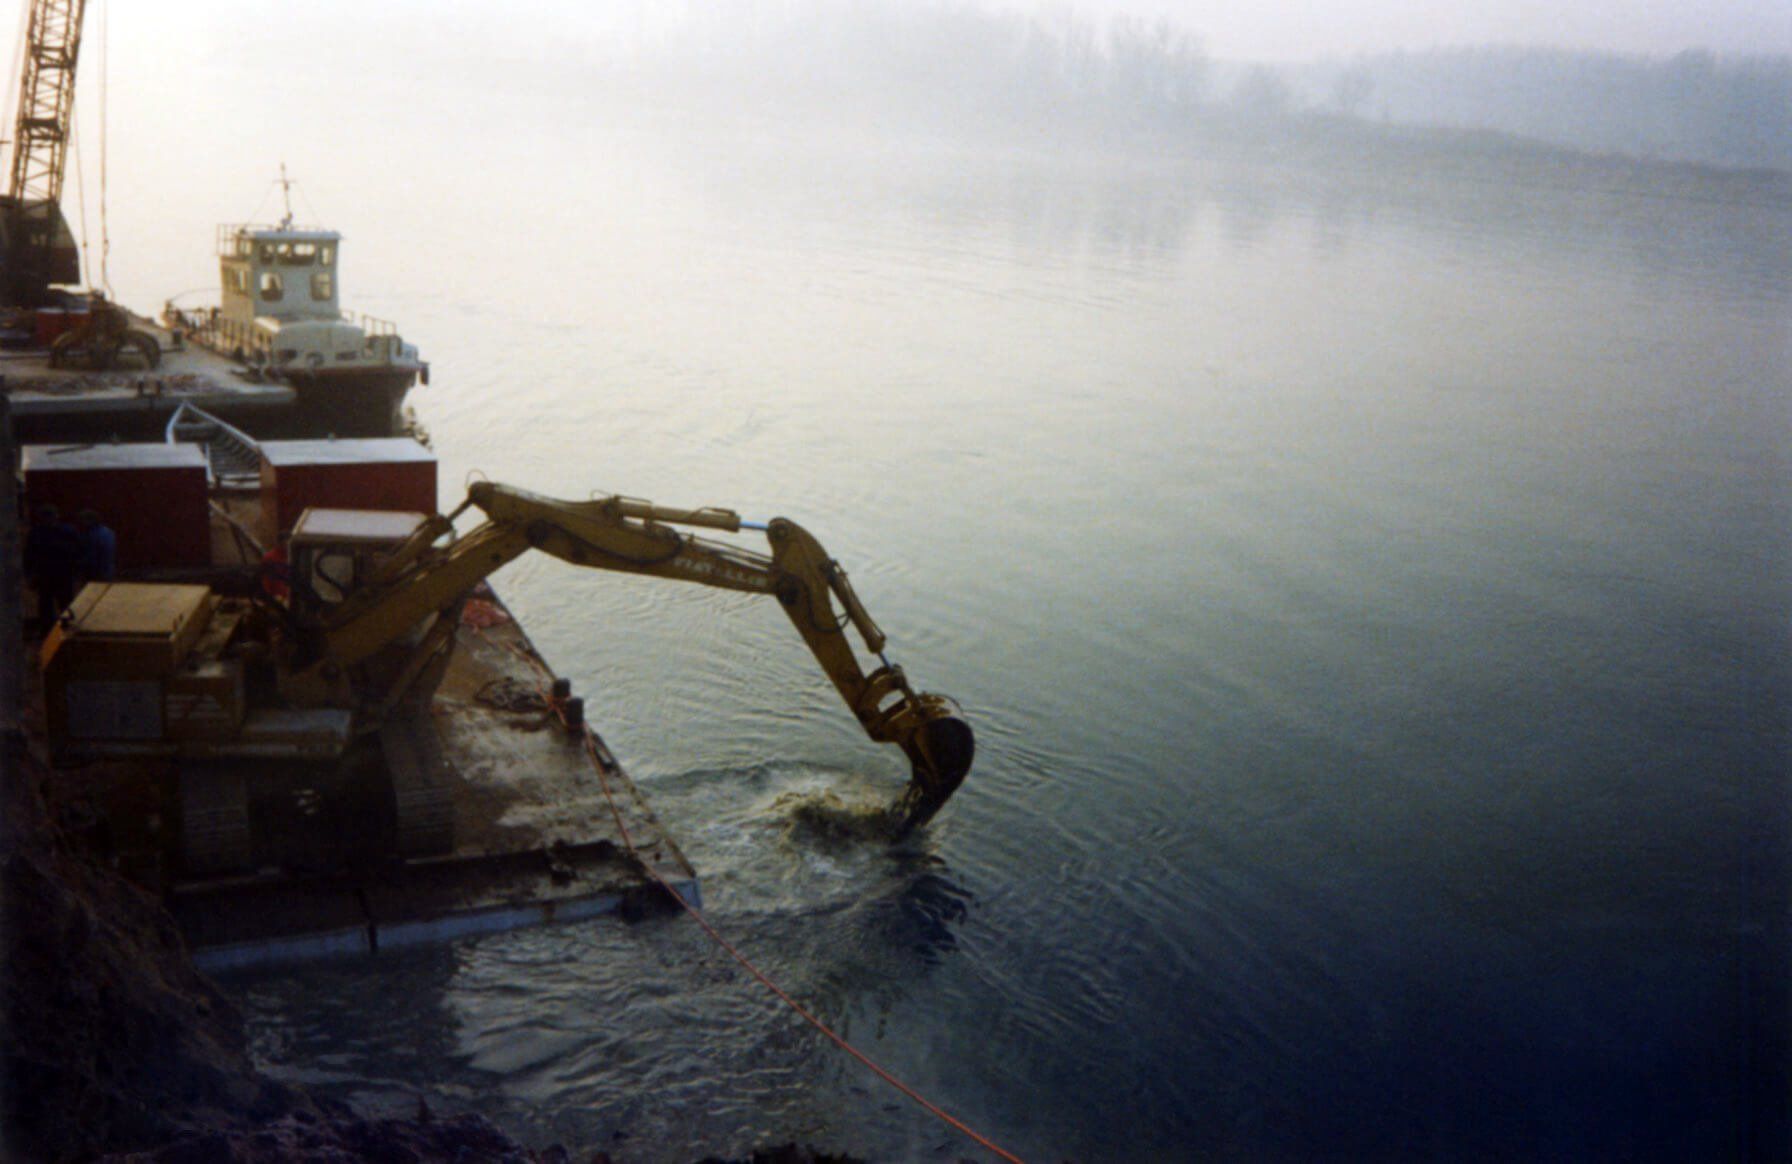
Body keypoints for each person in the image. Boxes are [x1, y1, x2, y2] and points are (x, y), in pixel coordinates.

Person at [24, 504, 81, 632]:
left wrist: (30, 575)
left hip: (45, 574)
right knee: (64, 602)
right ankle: (65, 629)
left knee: (46, 604)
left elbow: (29, 556)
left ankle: (47, 630)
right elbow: (78, 551)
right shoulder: (68, 531)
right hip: (63, 574)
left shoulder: (36, 533)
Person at [76, 508, 117, 585]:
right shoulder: (108, 532)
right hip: (106, 569)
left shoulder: (91, 535)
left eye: (82, 520)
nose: (80, 522)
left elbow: (91, 554)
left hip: (95, 571)